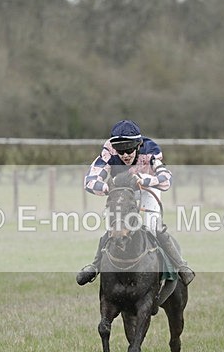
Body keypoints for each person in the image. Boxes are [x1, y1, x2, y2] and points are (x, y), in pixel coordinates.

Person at [76, 120, 195, 286]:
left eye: (129, 149)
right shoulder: (108, 153)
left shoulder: (151, 151)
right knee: (115, 227)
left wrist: (147, 180)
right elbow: (89, 181)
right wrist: (107, 187)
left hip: (147, 188)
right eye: (120, 150)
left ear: (139, 145)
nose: (125, 155)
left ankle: (181, 265)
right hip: (122, 191)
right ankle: (95, 266)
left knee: (153, 226)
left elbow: (166, 179)